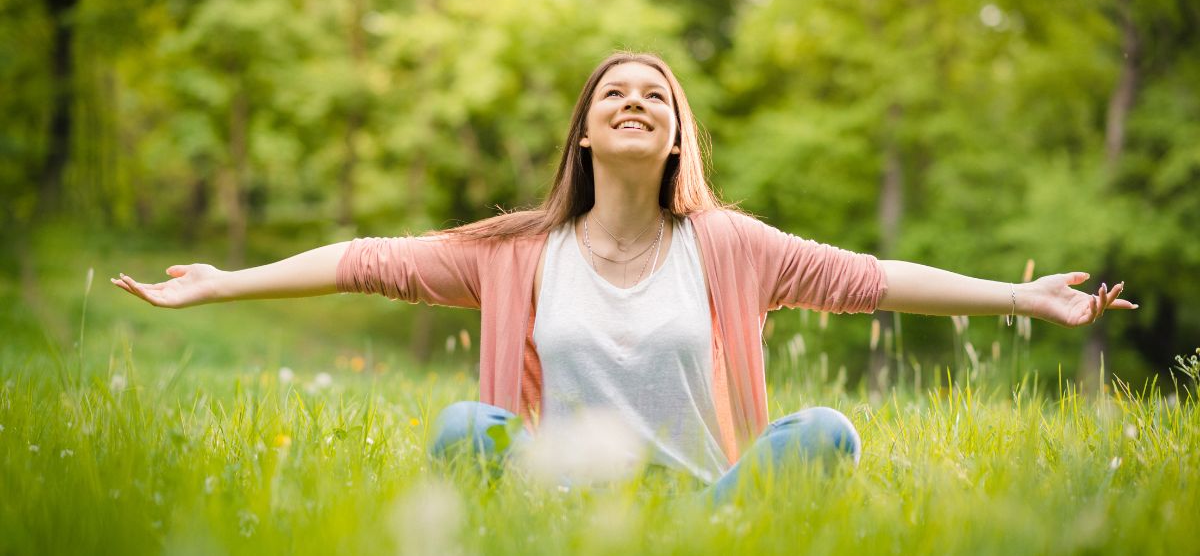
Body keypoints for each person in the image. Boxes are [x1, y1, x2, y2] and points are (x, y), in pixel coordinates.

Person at [112, 51, 1135, 503]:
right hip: (566, 509)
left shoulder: (731, 245)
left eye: (658, 94)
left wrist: (1021, 295)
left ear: (680, 132)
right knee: (467, 431)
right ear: (589, 134)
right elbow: (362, 262)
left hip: (708, 505)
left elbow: (872, 278)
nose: (637, 101)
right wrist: (220, 281)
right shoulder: (520, 252)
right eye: (616, 93)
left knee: (828, 434)